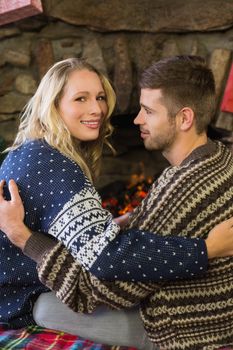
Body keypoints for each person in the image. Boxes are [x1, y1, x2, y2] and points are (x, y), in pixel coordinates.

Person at [0, 55, 233, 350]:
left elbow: (107, 269)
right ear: (54, 105)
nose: (98, 109)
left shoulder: (37, 153)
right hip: (19, 297)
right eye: (80, 99)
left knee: (51, 306)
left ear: (185, 118)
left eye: (99, 97)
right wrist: (206, 249)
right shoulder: (222, 157)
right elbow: (106, 262)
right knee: (45, 307)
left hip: (187, 323)